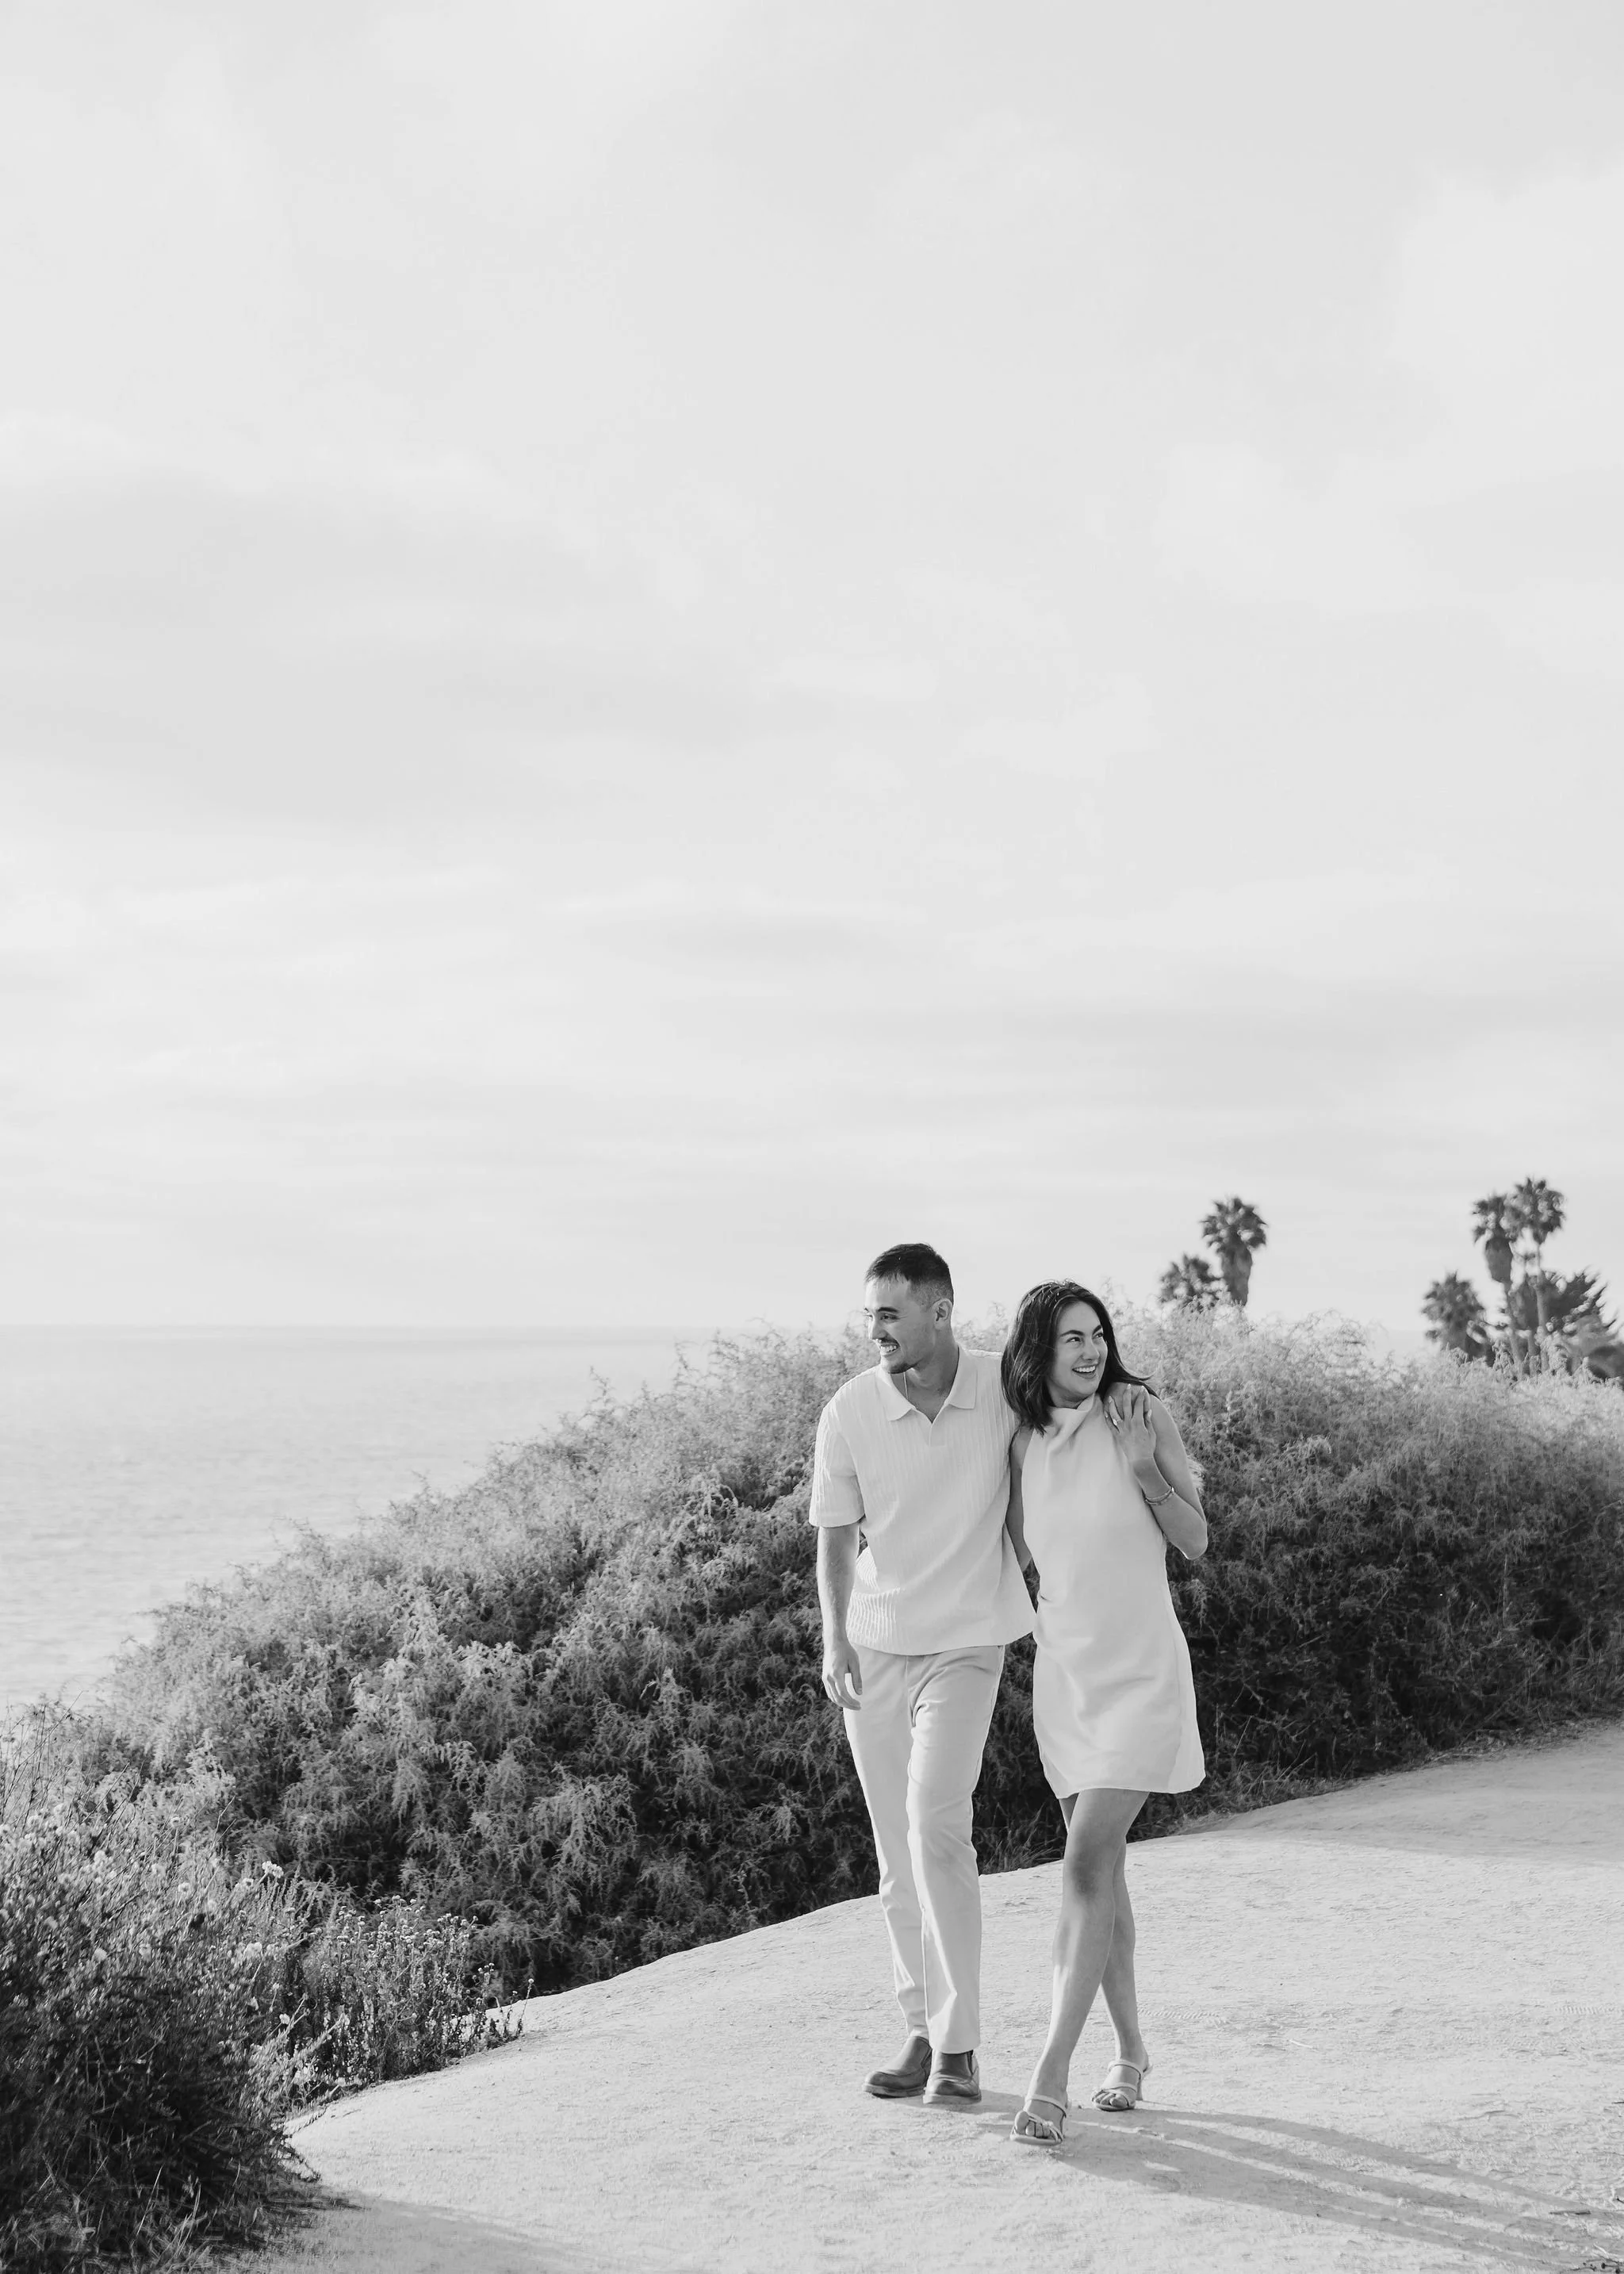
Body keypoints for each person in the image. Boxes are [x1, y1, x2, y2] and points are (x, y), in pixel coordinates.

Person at [811, 1242, 1033, 2106]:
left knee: (935, 1823)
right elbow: (835, 1534)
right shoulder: (849, 1409)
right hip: (875, 1647)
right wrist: (835, 1640)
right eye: (869, 1313)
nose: (874, 1329)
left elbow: (1069, 1424)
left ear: (940, 1312)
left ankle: (959, 2045)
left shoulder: (1002, 1388)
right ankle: (920, 2025)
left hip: (969, 1642)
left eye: (889, 1314)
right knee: (895, 1849)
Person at [1001, 1280, 1208, 2147]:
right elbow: (1019, 1553)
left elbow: (1194, 1538)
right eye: (1071, 1338)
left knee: (1083, 1864)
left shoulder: (1137, 1409)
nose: (1090, 1350)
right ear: (1037, 1351)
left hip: (1142, 1672)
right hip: (1068, 1680)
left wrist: (1142, 1466)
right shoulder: (1021, 1440)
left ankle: (1048, 2074)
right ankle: (1129, 2051)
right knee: (1104, 1874)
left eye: (1097, 1334)